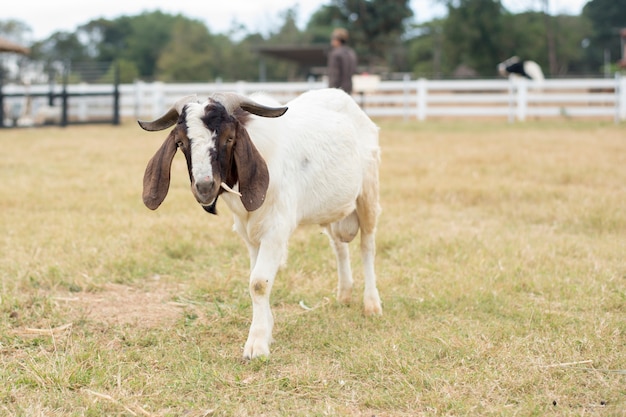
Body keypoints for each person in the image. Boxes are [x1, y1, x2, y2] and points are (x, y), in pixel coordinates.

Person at [327, 28, 357, 94]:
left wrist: (331, 89)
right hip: (348, 87)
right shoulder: (351, 52)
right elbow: (353, 70)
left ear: (337, 40)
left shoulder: (335, 54)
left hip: (337, 89)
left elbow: (334, 74)